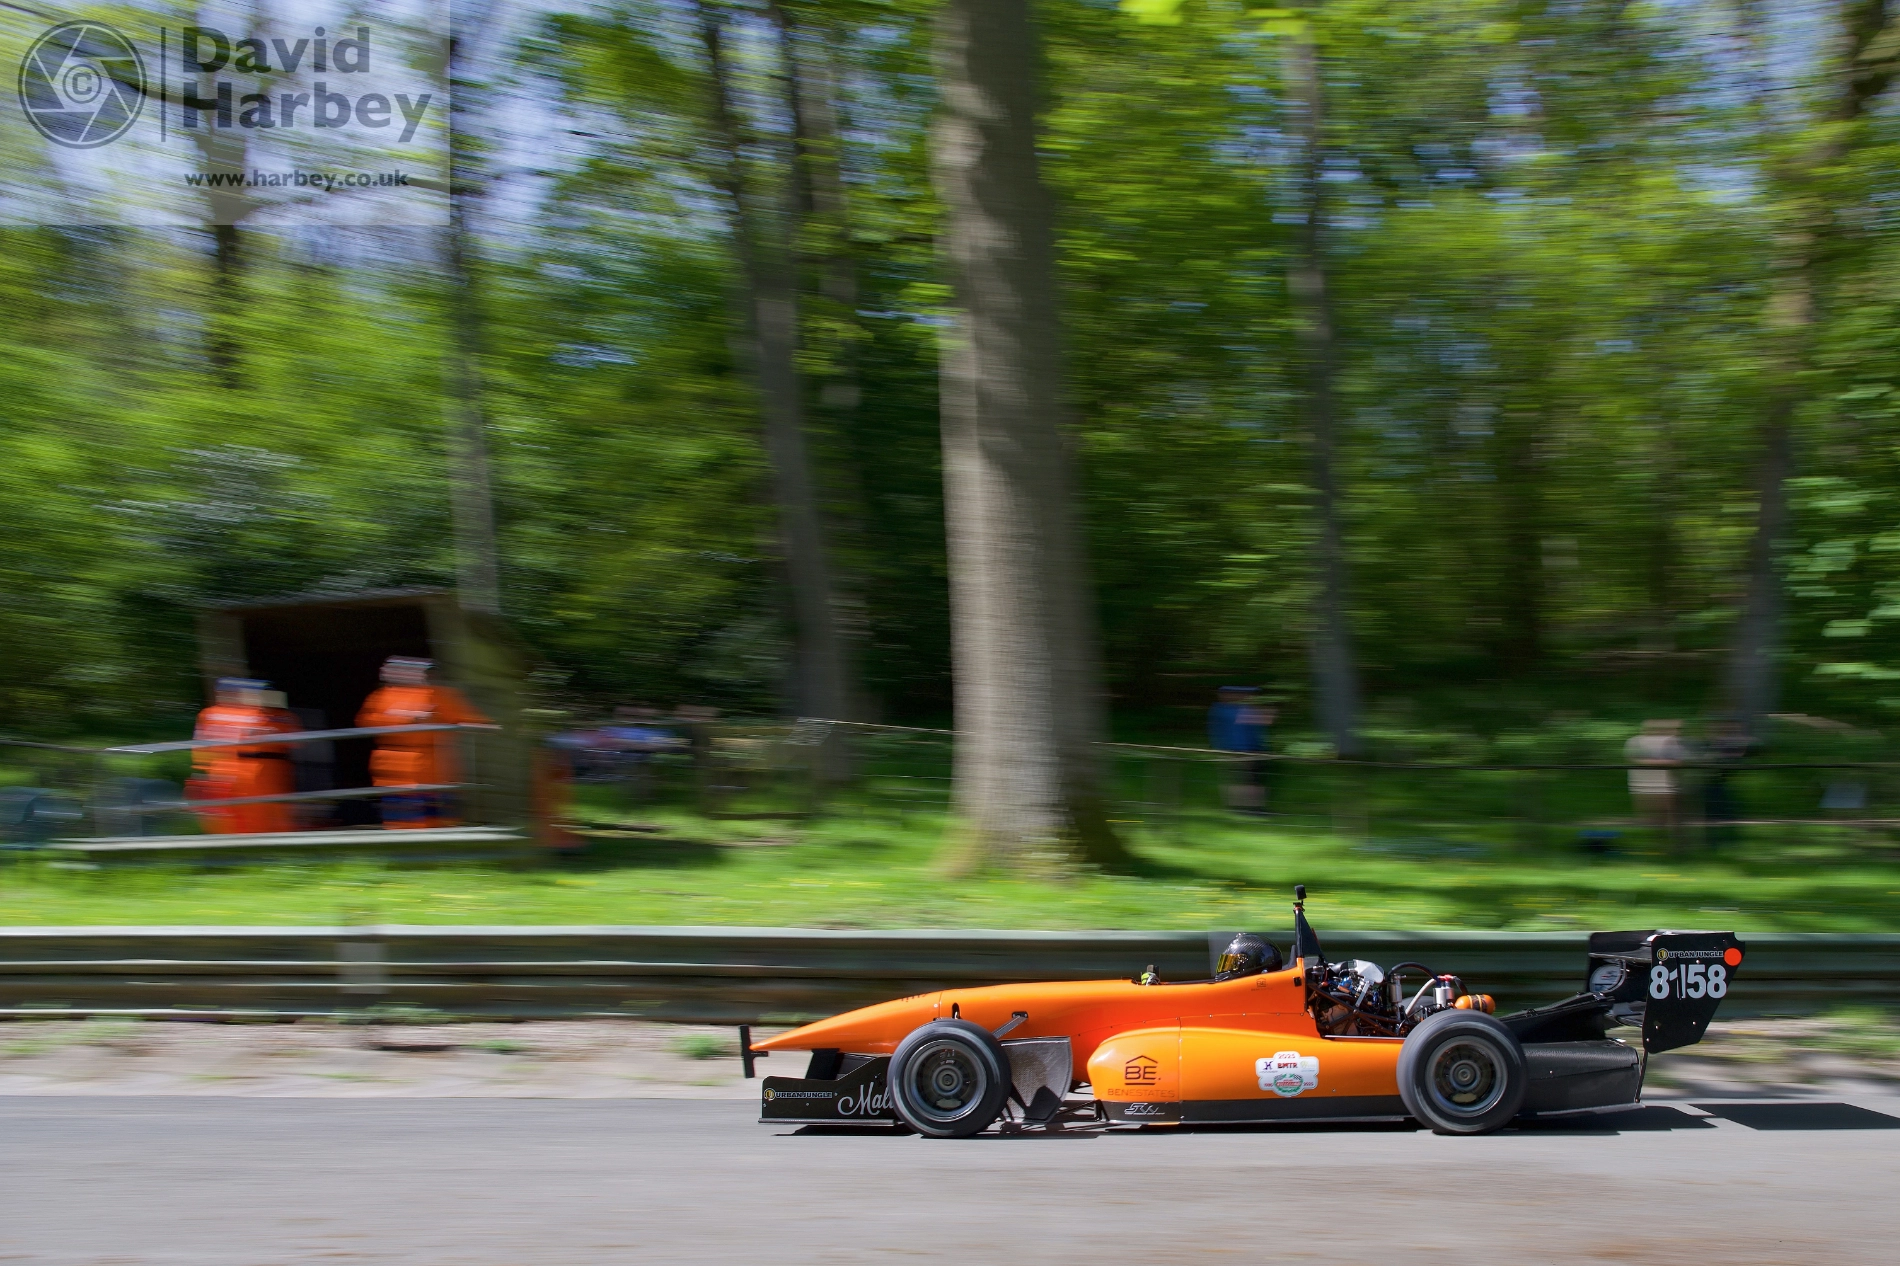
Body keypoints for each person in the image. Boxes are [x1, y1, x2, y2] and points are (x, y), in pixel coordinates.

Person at [356, 657, 493, 829]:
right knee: (404, 824)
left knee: (442, 822)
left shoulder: (439, 694)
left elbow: (467, 716)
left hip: (435, 766)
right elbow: (366, 721)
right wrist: (406, 718)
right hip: (395, 768)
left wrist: (484, 725)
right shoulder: (380, 696)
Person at [186, 678, 299, 835]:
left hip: (240, 772)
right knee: (253, 817)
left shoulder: (211, 713)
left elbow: (200, 750)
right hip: (248, 773)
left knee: (236, 819)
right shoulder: (257, 714)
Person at [1208, 687, 1275, 814]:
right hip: (1239, 750)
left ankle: (1250, 807)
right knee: (1245, 779)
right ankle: (1246, 808)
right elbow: (1232, 733)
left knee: (1252, 779)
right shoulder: (1226, 711)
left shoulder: (1242, 709)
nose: (1247, 696)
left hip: (1253, 749)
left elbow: (1258, 728)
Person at [1625, 719, 1687, 850]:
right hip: (1642, 785)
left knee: (1670, 815)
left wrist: (1653, 762)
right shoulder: (1636, 741)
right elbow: (1633, 758)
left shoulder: (1673, 741)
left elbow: (1678, 761)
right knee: (1651, 817)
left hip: (1668, 785)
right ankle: (1657, 844)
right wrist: (1661, 762)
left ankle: (1675, 845)